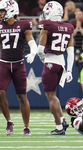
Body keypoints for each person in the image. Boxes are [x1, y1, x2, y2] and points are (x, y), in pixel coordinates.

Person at [0, 0, 38, 136]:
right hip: (3, 63)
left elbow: (31, 40)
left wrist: (33, 52)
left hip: (18, 64)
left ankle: (26, 126)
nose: (1, 13)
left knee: (22, 96)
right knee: (0, 93)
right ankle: (9, 122)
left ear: (10, 11)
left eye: (2, 11)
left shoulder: (23, 24)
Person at [37, 1, 74, 135]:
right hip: (61, 64)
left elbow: (40, 49)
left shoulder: (47, 26)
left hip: (51, 63)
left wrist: (42, 58)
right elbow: (70, 52)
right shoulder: (69, 27)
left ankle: (59, 128)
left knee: (50, 96)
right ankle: (63, 119)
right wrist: (69, 70)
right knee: (53, 96)